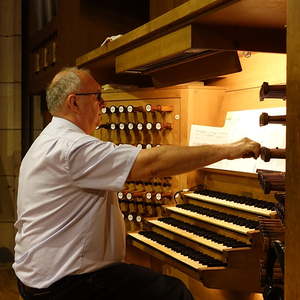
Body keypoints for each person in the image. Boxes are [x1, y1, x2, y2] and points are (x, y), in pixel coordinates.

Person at [13, 67, 261, 300]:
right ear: (74, 101)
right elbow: (153, 163)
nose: (103, 104)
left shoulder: (50, 139)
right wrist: (228, 150)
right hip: (64, 283)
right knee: (173, 292)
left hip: (39, 273)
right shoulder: (72, 147)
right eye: (97, 97)